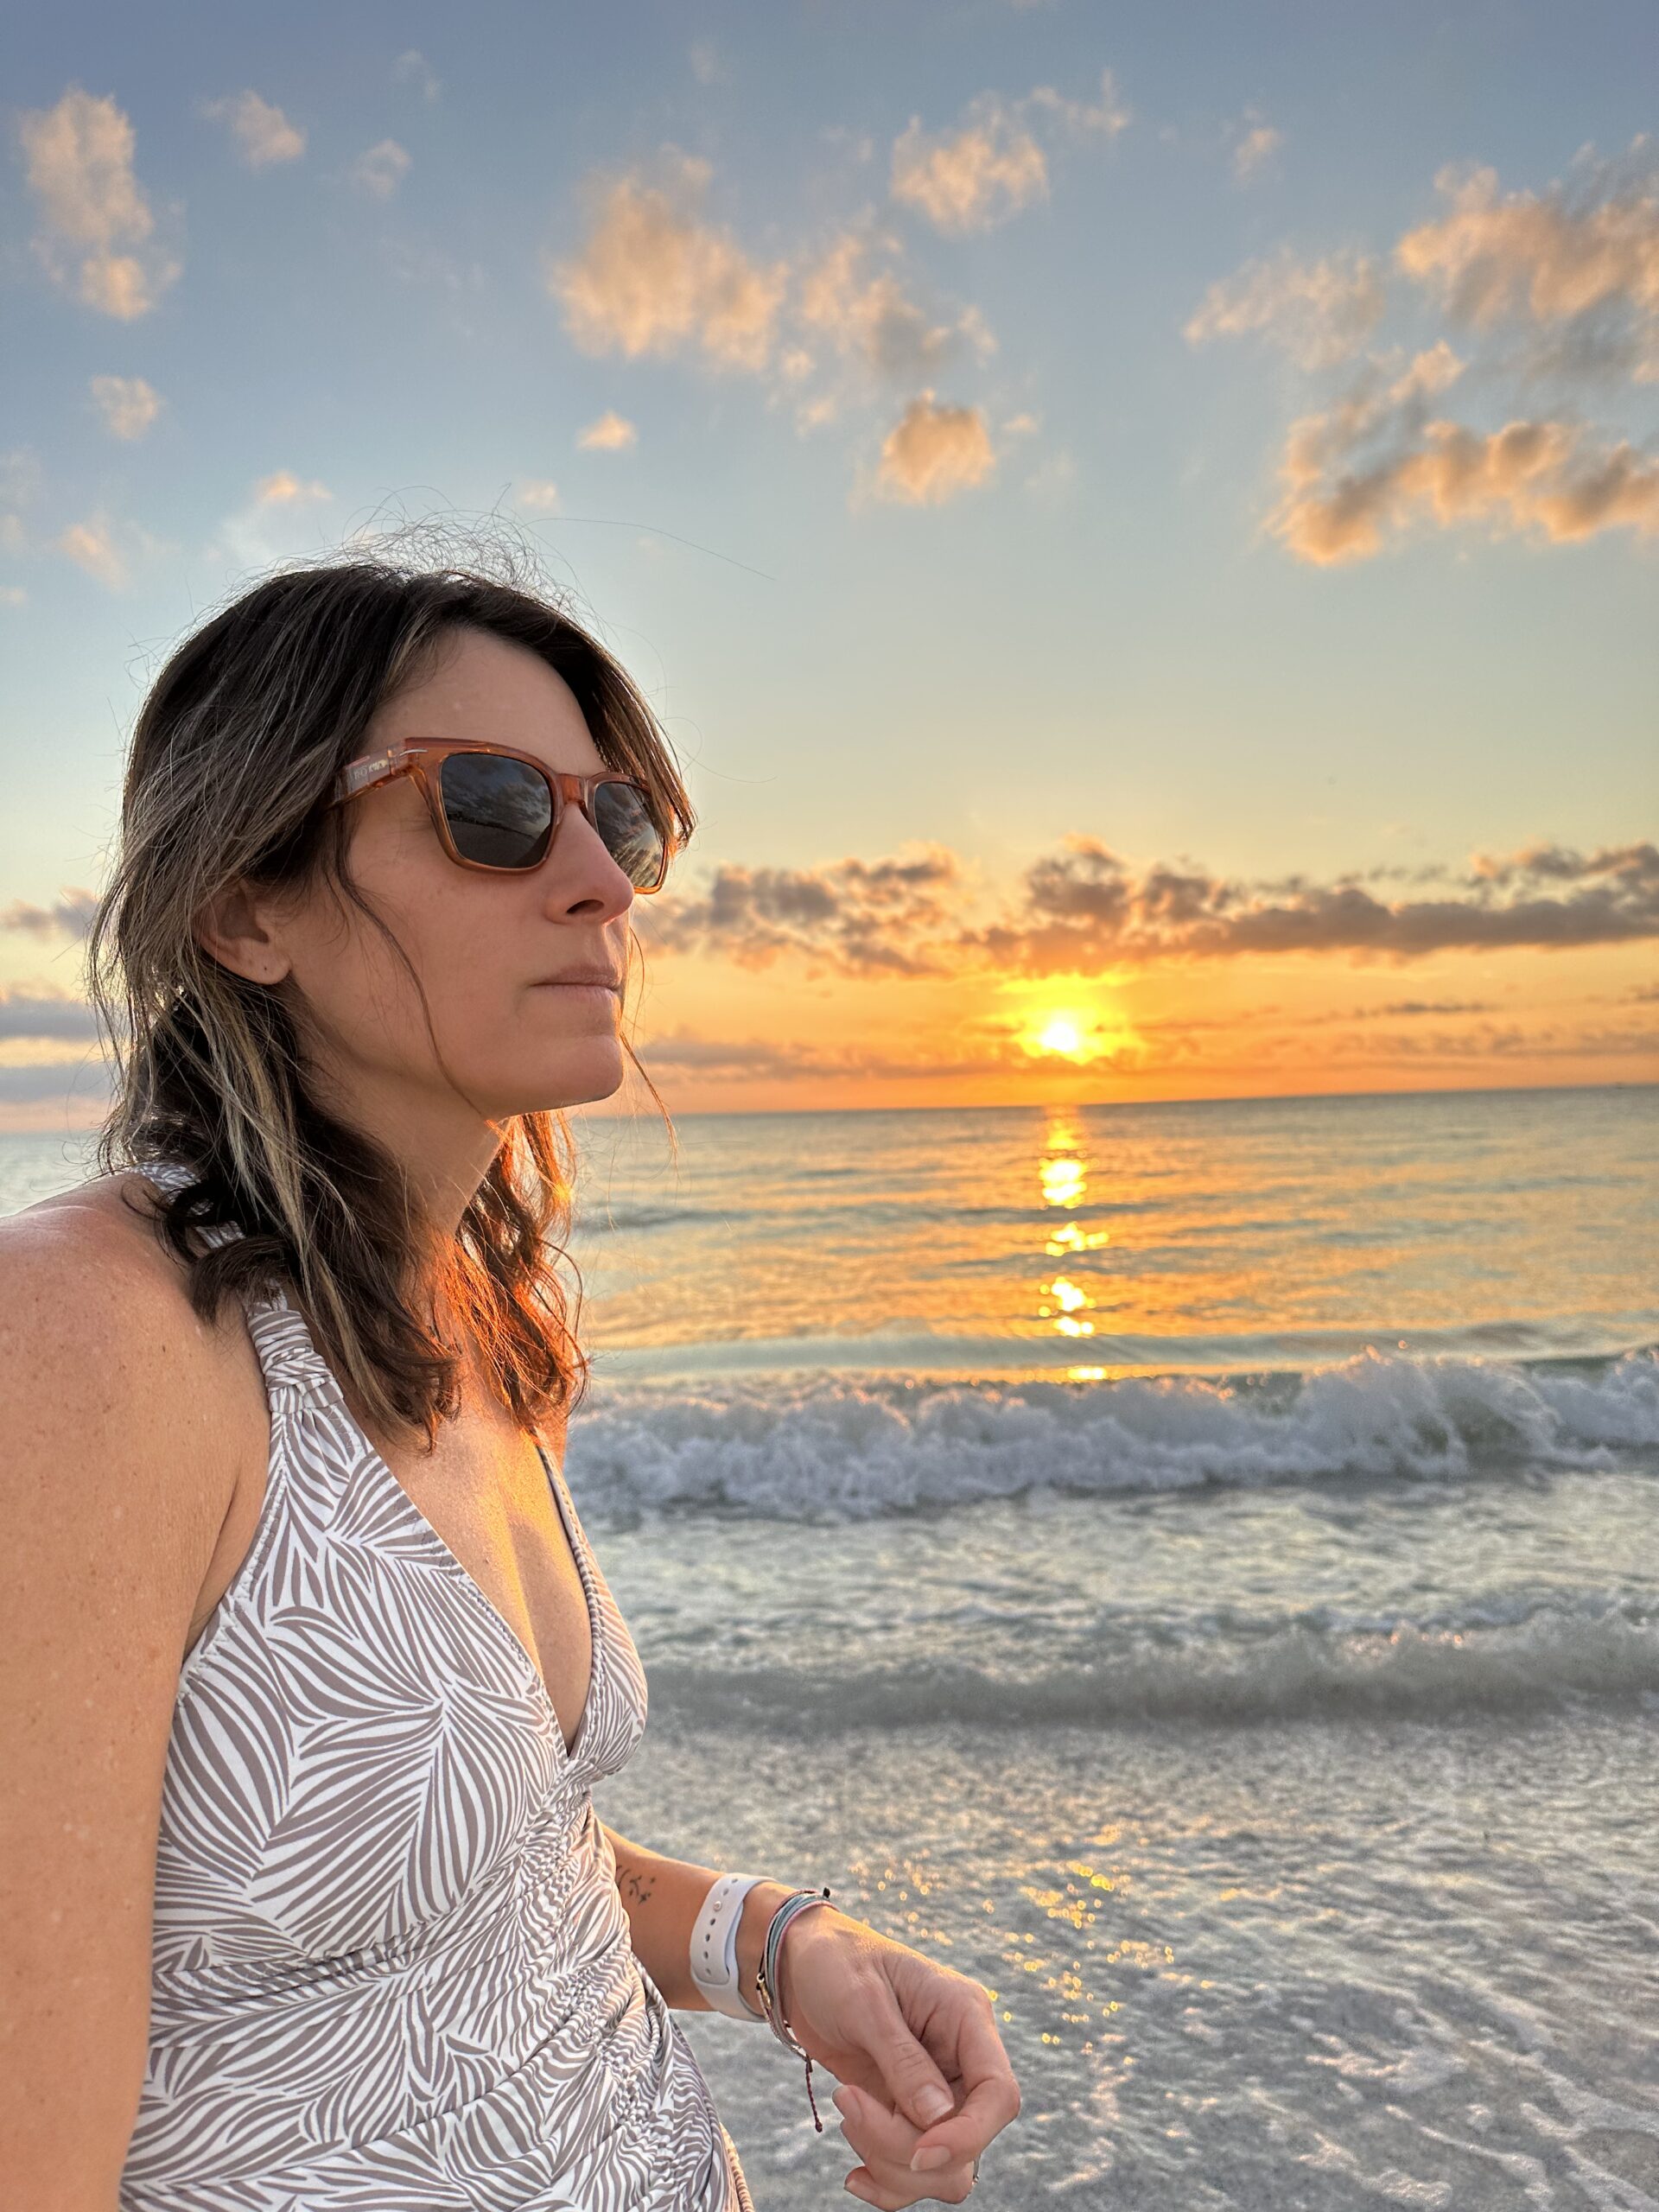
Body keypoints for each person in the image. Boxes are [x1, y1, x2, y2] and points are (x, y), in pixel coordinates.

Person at [0, 544, 1021, 2211]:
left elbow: (467, 1869)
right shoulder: (83, 1347)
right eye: (488, 806)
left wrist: (783, 1948)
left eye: (617, 824)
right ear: (246, 902)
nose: (600, 883)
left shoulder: (481, 1307)